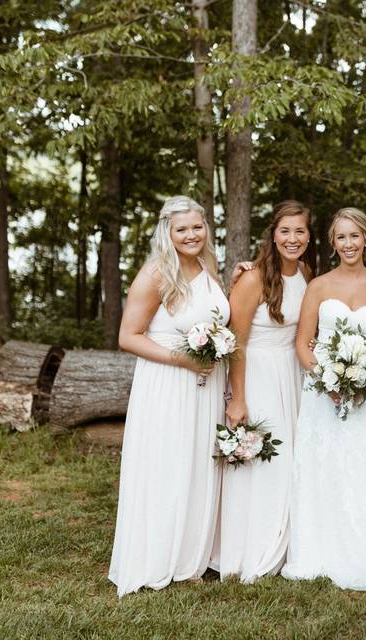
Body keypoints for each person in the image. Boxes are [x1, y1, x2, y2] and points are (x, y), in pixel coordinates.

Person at [281, 207, 366, 590]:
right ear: (332, 242)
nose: (349, 243)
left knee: (360, 460)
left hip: (364, 391)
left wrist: (362, 379)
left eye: (355, 236)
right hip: (322, 391)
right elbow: (304, 343)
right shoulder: (318, 285)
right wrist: (328, 380)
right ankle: (318, 546)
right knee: (322, 461)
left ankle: (363, 542)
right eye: (341, 237)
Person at [109, 196, 228, 596]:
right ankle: (157, 555)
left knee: (197, 464)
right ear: (168, 232)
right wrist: (182, 360)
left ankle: (189, 558)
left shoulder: (209, 266)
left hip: (205, 386)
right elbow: (127, 337)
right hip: (167, 383)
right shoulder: (156, 273)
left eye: (197, 227)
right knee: (167, 465)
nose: (191, 235)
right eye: (182, 229)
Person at [217, 200, 313, 581]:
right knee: (263, 461)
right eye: (285, 231)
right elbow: (235, 342)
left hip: (294, 376)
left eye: (300, 231)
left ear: (309, 235)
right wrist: (237, 398)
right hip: (257, 375)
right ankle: (250, 548)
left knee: (291, 459)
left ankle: (287, 541)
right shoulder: (253, 278)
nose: (292, 238)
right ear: (272, 234)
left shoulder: (306, 272)